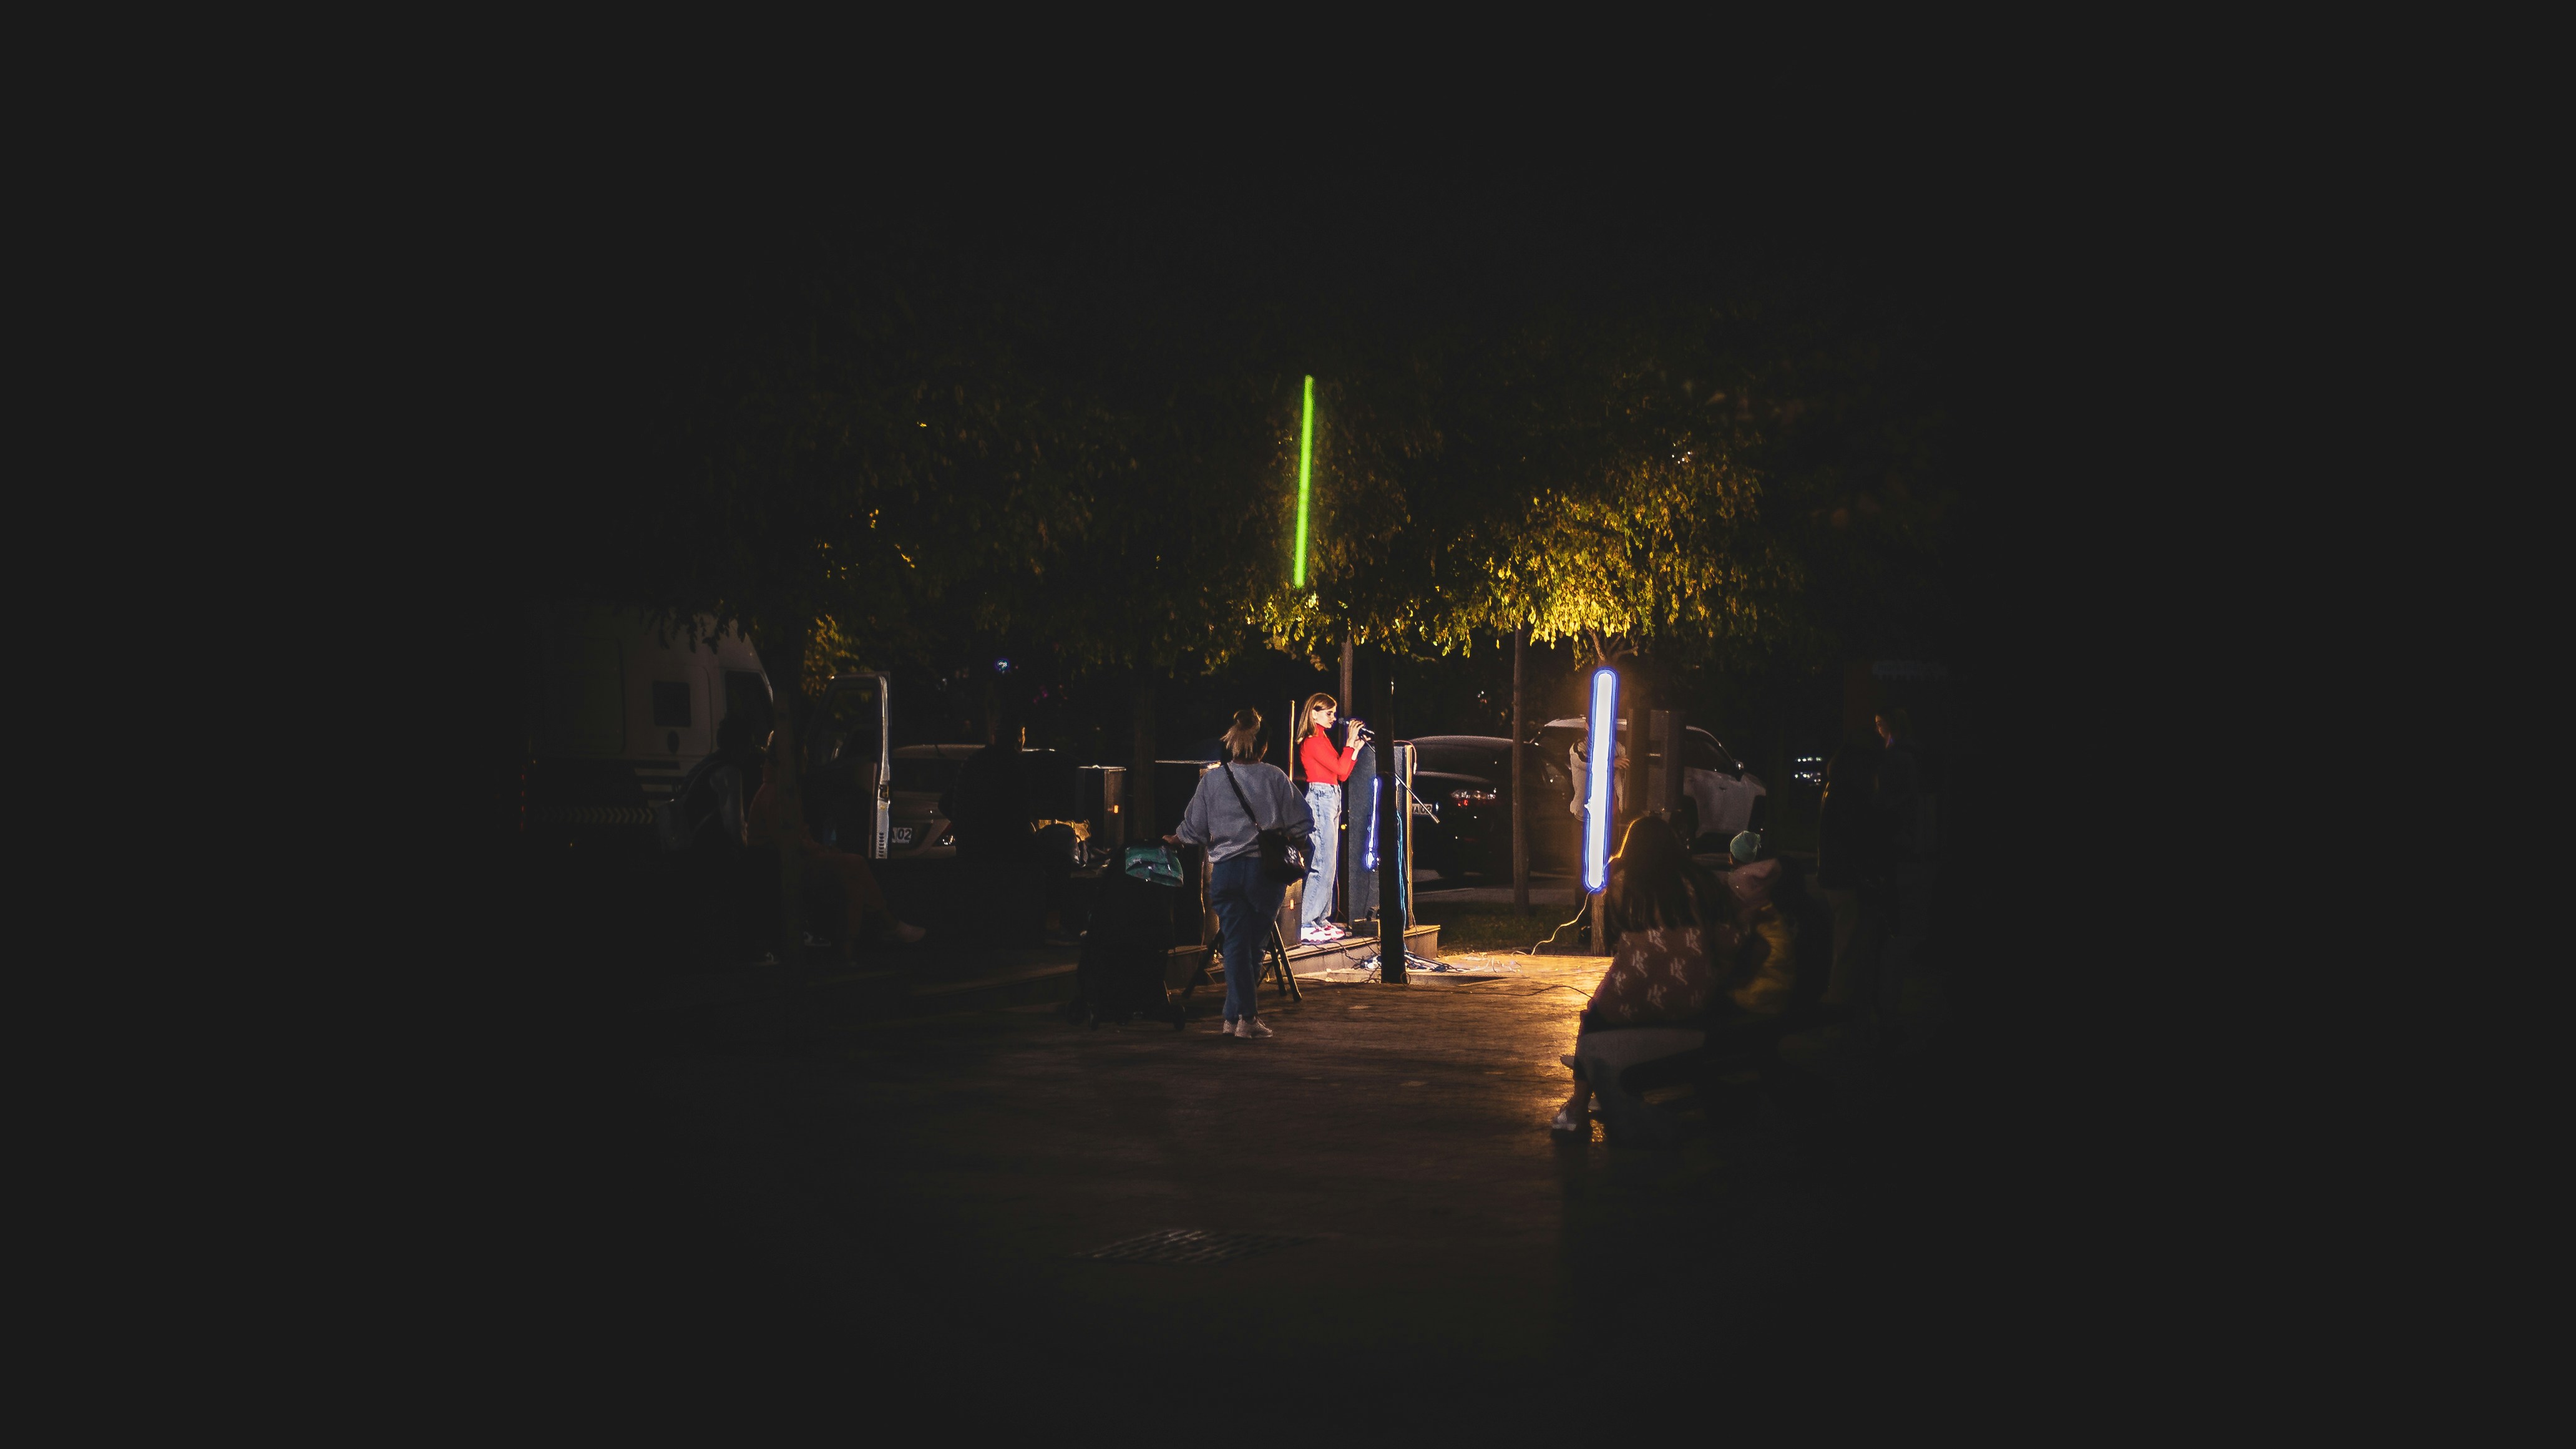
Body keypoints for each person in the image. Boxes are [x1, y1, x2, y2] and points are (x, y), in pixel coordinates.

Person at [1552, 817, 1725, 1144]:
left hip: (1633, 996)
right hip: (1693, 998)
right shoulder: (1702, 882)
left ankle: (1576, 1107)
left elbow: (1618, 926)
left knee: (1593, 1018)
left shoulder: (1624, 883)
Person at [1168, 707, 1314, 1040]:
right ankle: (1245, 1018)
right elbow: (1303, 822)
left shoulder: (1214, 780)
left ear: (1233, 743)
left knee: (1235, 944)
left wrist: (1177, 838)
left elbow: (1193, 829)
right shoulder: (1275, 777)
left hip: (1226, 871)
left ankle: (1233, 1018)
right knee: (1253, 947)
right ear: (1262, 747)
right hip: (1264, 874)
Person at [749, 736, 926, 955]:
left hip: (791, 860)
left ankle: (855, 944)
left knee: (853, 874)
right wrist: (821, 850)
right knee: (855, 866)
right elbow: (790, 841)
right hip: (787, 865)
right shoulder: (777, 793)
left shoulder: (777, 789)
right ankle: (884, 927)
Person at [943, 708, 1079, 945]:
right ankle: (1052, 926)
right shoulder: (1013, 768)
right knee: (1060, 856)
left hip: (968, 849)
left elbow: (945, 802)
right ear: (1019, 737)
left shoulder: (973, 762)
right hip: (1001, 850)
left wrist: (966, 821)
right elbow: (1017, 823)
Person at [1813, 746, 1885, 1010]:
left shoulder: (1833, 792)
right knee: (1849, 949)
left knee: (1845, 946)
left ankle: (1838, 1007)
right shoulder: (1851, 797)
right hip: (1847, 880)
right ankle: (1838, 1008)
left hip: (1834, 877)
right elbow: (1856, 841)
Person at [1294, 693, 1365, 943]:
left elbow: (1343, 774)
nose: (1334, 718)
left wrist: (1354, 750)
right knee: (1322, 861)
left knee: (1330, 863)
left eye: (1334, 713)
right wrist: (1349, 744)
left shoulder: (1323, 739)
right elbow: (1339, 769)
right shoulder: (1312, 742)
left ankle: (1320, 919)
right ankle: (1305, 921)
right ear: (1314, 713)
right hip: (1320, 798)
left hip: (1332, 797)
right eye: (1329, 713)